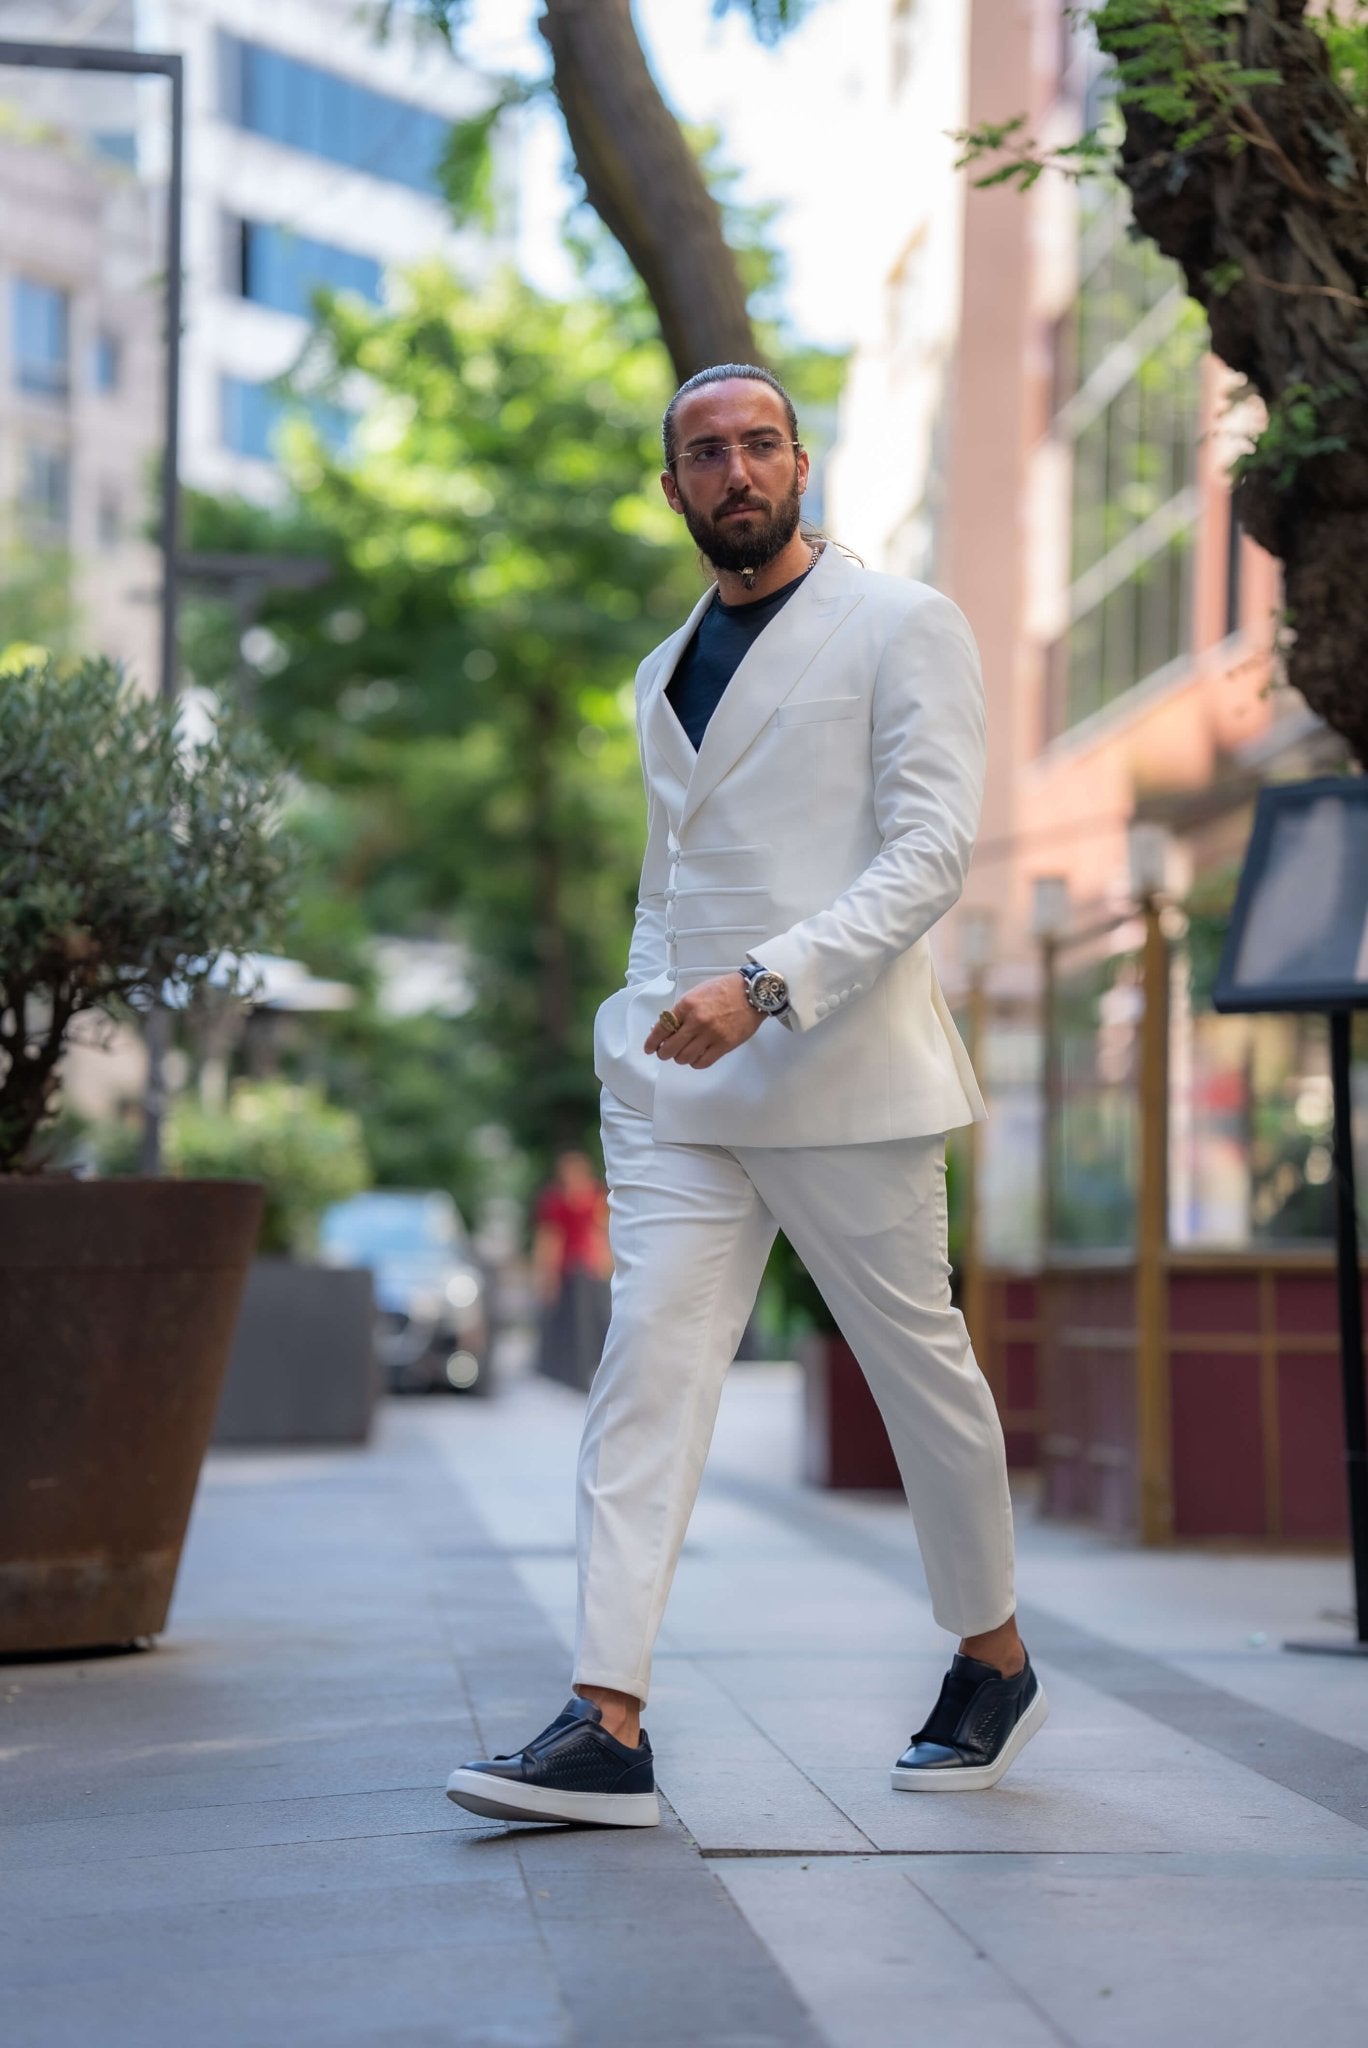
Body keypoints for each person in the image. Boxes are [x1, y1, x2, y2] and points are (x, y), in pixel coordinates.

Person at [446, 364, 1047, 1830]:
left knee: (925, 1383)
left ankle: (993, 1654)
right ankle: (609, 1718)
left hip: (841, 1076)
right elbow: (674, 883)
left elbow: (926, 857)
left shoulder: (902, 623)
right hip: (679, 1092)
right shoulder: (661, 668)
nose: (736, 470)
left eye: (759, 443)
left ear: (801, 461)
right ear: (673, 489)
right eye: (705, 452)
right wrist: (637, 1030)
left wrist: (768, 984)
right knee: (644, 1375)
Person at [532, 1148, 612, 1392]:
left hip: (591, 1267)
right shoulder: (556, 1201)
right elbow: (550, 1239)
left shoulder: (596, 1196)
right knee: (573, 1324)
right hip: (569, 1269)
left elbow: (602, 1230)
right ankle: (574, 1376)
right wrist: (546, 1275)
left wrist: (607, 1262)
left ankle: (596, 1370)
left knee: (599, 1319)